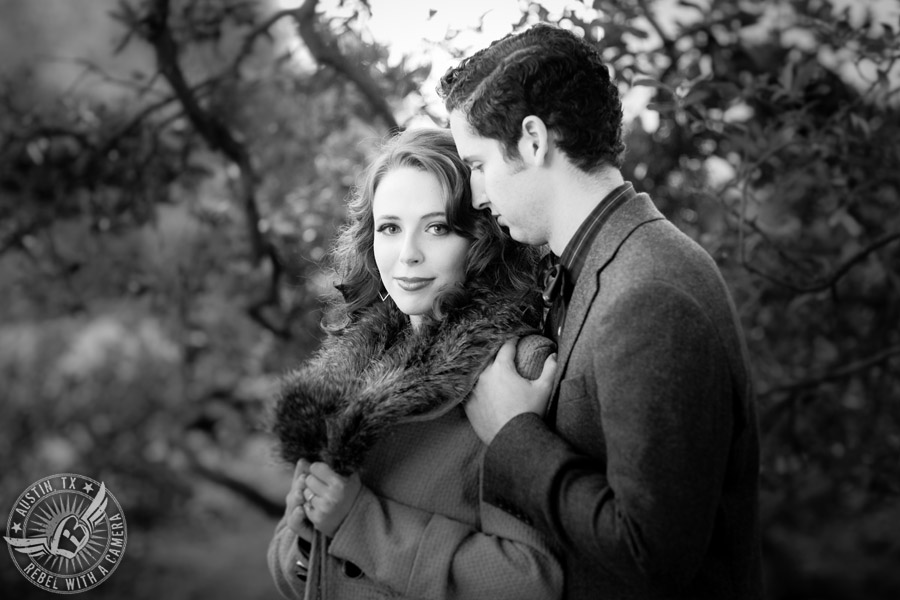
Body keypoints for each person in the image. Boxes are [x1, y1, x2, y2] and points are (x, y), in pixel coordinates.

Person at [439, 23, 764, 600]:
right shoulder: (600, 264)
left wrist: (514, 436)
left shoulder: (649, 292)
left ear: (534, 140)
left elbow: (652, 554)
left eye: (479, 164)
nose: (477, 195)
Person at [267, 127, 562, 600]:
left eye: (437, 227)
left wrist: (360, 523)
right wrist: (308, 537)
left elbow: (530, 581)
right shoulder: (353, 368)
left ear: (481, 238)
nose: (407, 256)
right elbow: (292, 567)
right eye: (390, 228)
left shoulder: (517, 368)